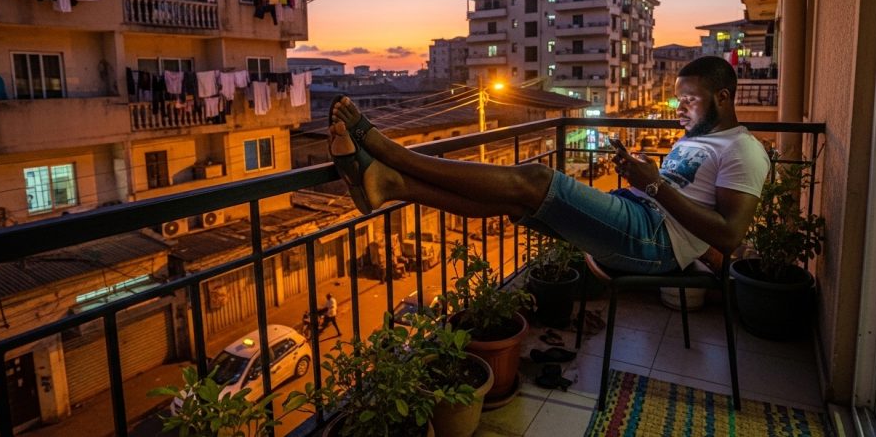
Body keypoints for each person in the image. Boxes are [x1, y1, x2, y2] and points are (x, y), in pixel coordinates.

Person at [327, 56, 771, 275]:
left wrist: (655, 187)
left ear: (724, 98)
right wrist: (642, 178)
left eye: (688, 101)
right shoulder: (700, 137)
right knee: (510, 200)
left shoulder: (744, 151)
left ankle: (395, 155)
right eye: (679, 100)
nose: (680, 109)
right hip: (636, 215)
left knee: (536, 178)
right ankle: (392, 185)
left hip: (653, 242)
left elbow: (730, 236)